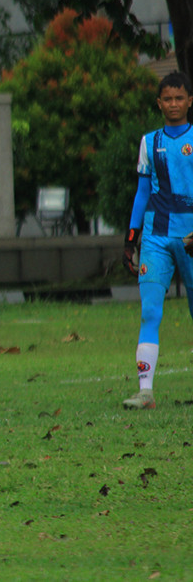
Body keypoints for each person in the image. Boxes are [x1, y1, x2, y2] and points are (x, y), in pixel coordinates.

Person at [121, 70, 193, 409]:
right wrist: (131, 238)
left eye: (180, 98)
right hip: (156, 236)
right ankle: (145, 392)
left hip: (192, 235)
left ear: (190, 101)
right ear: (159, 103)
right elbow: (141, 193)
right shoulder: (149, 142)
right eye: (168, 98)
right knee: (150, 311)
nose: (174, 104)